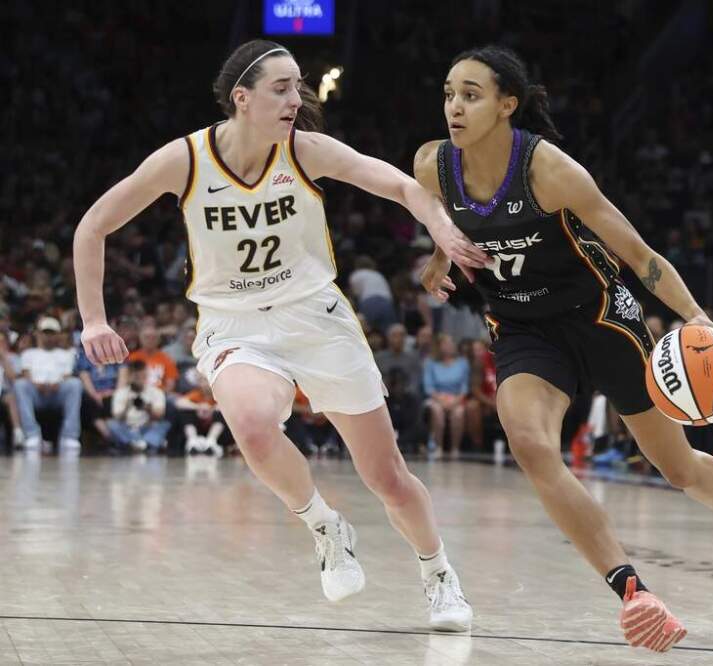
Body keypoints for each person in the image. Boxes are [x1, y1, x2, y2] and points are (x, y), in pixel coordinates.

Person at [73, 39, 487, 631]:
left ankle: (438, 573)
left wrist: (442, 232)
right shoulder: (184, 160)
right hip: (234, 323)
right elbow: (93, 226)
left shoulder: (306, 151)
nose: (298, 98)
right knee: (251, 424)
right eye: (282, 88)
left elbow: (400, 186)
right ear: (242, 98)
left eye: (299, 86)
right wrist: (94, 318)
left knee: (387, 476)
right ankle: (324, 524)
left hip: (314, 318)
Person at [414, 45, 713, 653]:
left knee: (679, 469)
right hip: (523, 330)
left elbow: (639, 257)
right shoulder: (433, 165)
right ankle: (634, 593)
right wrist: (439, 257)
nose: (454, 106)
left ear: (508, 105)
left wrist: (697, 318)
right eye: (449, 92)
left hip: (603, 319)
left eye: (471, 95)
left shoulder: (550, 171)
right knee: (532, 446)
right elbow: (441, 216)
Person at [13, 316, 83, 451]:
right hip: (36, 394)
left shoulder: (66, 354)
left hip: (58, 393)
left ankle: (70, 435)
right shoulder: (29, 353)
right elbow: (26, 375)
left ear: (57, 335)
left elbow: (67, 375)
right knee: (20, 384)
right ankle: (32, 434)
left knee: (74, 384)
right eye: (46, 332)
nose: (48, 336)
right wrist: (36, 384)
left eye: (52, 333)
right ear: (38, 334)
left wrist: (57, 384)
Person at [107, 360, 171, 453]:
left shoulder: (156, 392)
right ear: (130, 376)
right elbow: (117, 417)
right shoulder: (121, 393)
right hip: (128, 428)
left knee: (164, 424)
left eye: (143, 377)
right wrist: (127, 406)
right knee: (112, 424)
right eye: (136, 377)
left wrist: (147, 408)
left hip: (147, 426)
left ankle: (136, 443)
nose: (140, 380)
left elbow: (160, 415)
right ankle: (146, 443)